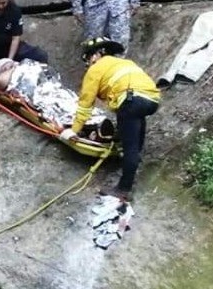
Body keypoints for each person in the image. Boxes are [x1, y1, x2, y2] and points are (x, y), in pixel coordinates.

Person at [59, 37, 160, 200]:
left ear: (96, 55)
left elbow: (86, 104)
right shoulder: (126, 63)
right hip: (152, 100)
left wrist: (74, 130)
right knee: (135, 120)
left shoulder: (95, 69)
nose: (88, 63)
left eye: (88, 58)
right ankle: (135, 157)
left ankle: (123, 189)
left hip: (130, 99)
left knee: (130, 145)